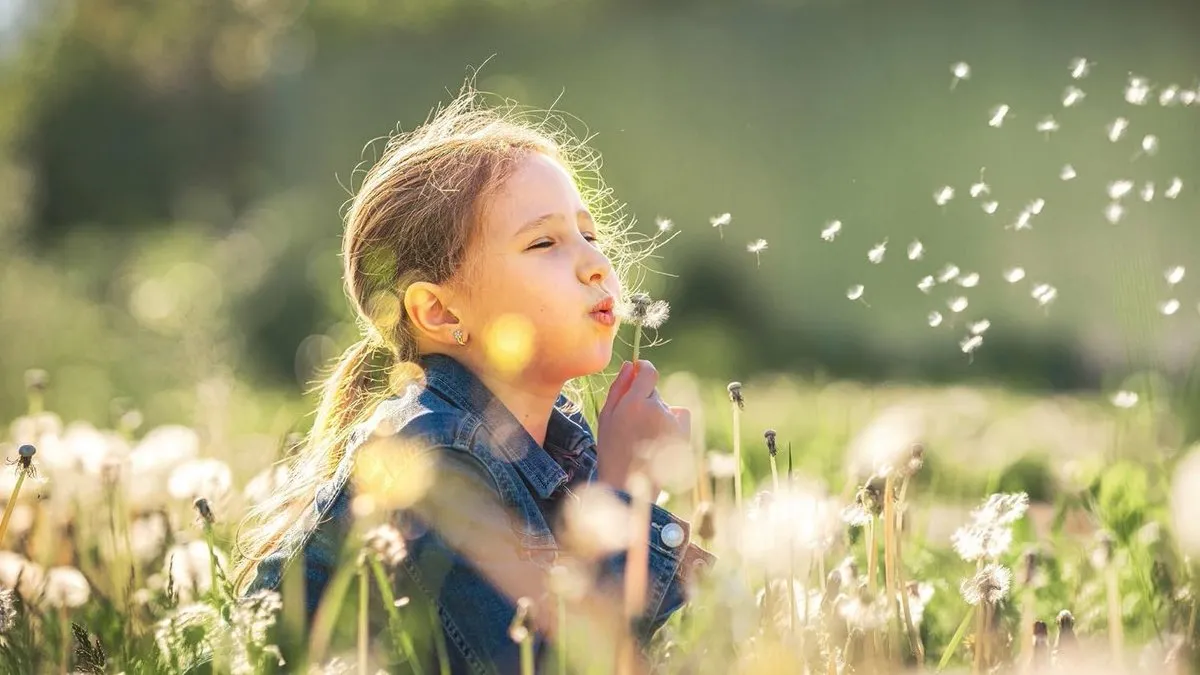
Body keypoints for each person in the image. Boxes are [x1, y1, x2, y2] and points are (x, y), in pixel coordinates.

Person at [231, 84, 713, 674]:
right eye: (544, 242)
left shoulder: (553, 448)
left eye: (590, 235)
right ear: (440, 312)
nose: (595, 264)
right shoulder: (431, 460)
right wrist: (624, 492)